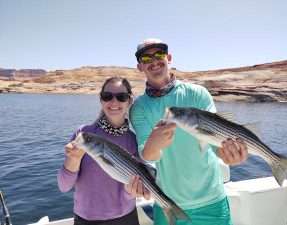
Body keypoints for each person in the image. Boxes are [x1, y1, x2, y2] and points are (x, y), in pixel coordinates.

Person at [129, 38, 248, 225]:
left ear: (169, 58)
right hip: (168, 206)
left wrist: (231, 155)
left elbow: (216, 145)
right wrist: (154, 143)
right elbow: (148, 156)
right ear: (140, 67)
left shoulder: (198, 93)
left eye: (159, 54)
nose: (154, 61)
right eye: (146, 58)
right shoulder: (139, 108)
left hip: (213, 203)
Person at [57, 77, 149, 225]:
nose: (114, 102)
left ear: (130, 101)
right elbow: (63, 186)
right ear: (101, 100)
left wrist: (130, 192)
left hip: (126, 218)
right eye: (107, 96)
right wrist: (73, 160)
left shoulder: (134, 140)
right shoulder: (84, 134)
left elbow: (131, 188)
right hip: (86, 220)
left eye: (121, 97)